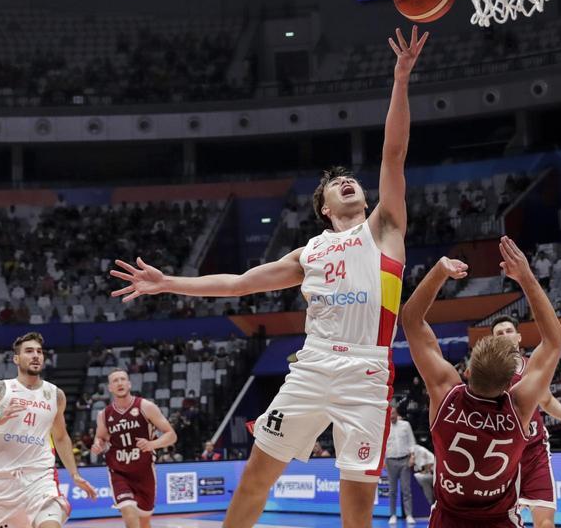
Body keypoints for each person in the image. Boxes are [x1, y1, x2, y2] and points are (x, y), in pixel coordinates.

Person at [110, 27, 429, 528]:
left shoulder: (385, 229)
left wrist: (401, 79)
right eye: (335, 186)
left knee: (358, 510)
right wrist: (169, 282)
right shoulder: (310, 252)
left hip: (368, 375)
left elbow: (393, 153)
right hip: (313, 367)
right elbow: (238, 284)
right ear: (324, 208)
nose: (348, 182)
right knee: (258, 475)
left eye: (352, 181)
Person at [400, 238, 561, 528]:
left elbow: (411, 320)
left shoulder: (446, 393)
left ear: (467, 370)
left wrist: (439, 271)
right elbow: (553, 341)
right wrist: (525, 277)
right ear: (510, 384)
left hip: (448, 520)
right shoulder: (519, 407)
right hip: (500, 521)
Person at [0, 332, 96, 528]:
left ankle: (56, 505)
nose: (36, 356)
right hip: (3, 485)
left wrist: (74, 474)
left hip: (40, 478)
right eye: (29, 351)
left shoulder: (55, 395)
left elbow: (61, 437)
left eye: (39, 352)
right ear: (16, 358)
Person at [487, 316, 561, 528]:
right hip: (502, 456)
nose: (504, 335)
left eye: (508, 331)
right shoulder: (487, 373)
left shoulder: (531, 367)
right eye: (499, 333)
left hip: (534, 450)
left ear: (518, 337)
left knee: (545, 522)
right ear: (492, 341)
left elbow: (545, 399)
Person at [92, 369, 178, 528]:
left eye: (122, 379)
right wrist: (98, 444)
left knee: (144, 521)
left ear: (129, 384)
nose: (119, 383)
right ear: (110, 387)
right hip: (119, 471)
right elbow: (101, 437)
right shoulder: (104, 414)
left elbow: (171, 435)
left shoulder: (146, 406)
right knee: (129, 512)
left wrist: (152, 444)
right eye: (115, 381)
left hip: (144, 471)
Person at [384, 407, 416, 525]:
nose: (391, 415)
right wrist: (383, 460)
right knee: (392, 490)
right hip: (390, 461)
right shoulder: (384, 427)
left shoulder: (405, 425)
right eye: (389, 414)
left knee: (406, 489)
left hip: (404, 460)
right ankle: (392, 515)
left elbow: (412, 441)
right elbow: (382, 446)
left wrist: (412, 456)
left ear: (397, 413)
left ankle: (409, 515)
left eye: (393, 413)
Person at [412, 442, 436, 507]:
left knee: (422, 479)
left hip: (436, 475)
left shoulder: (419, 450)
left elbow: (430, 463)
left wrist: (424, 472)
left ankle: (429, 502)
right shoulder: (413, 453)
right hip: (430, 473)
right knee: (417, 477)